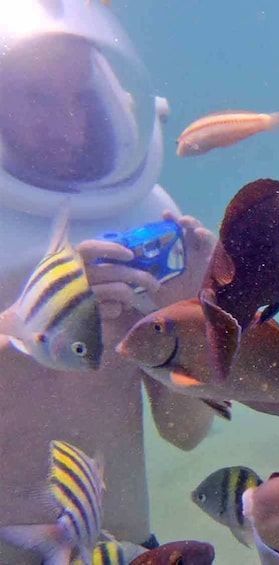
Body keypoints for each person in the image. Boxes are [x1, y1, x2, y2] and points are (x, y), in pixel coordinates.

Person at [0, 2, 216, 562]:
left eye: (80, 96)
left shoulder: (143, 210)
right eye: (37, 98)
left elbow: (186, 432)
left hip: (117, 548)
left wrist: (182, 324)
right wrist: (38, 320)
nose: (67, 125)